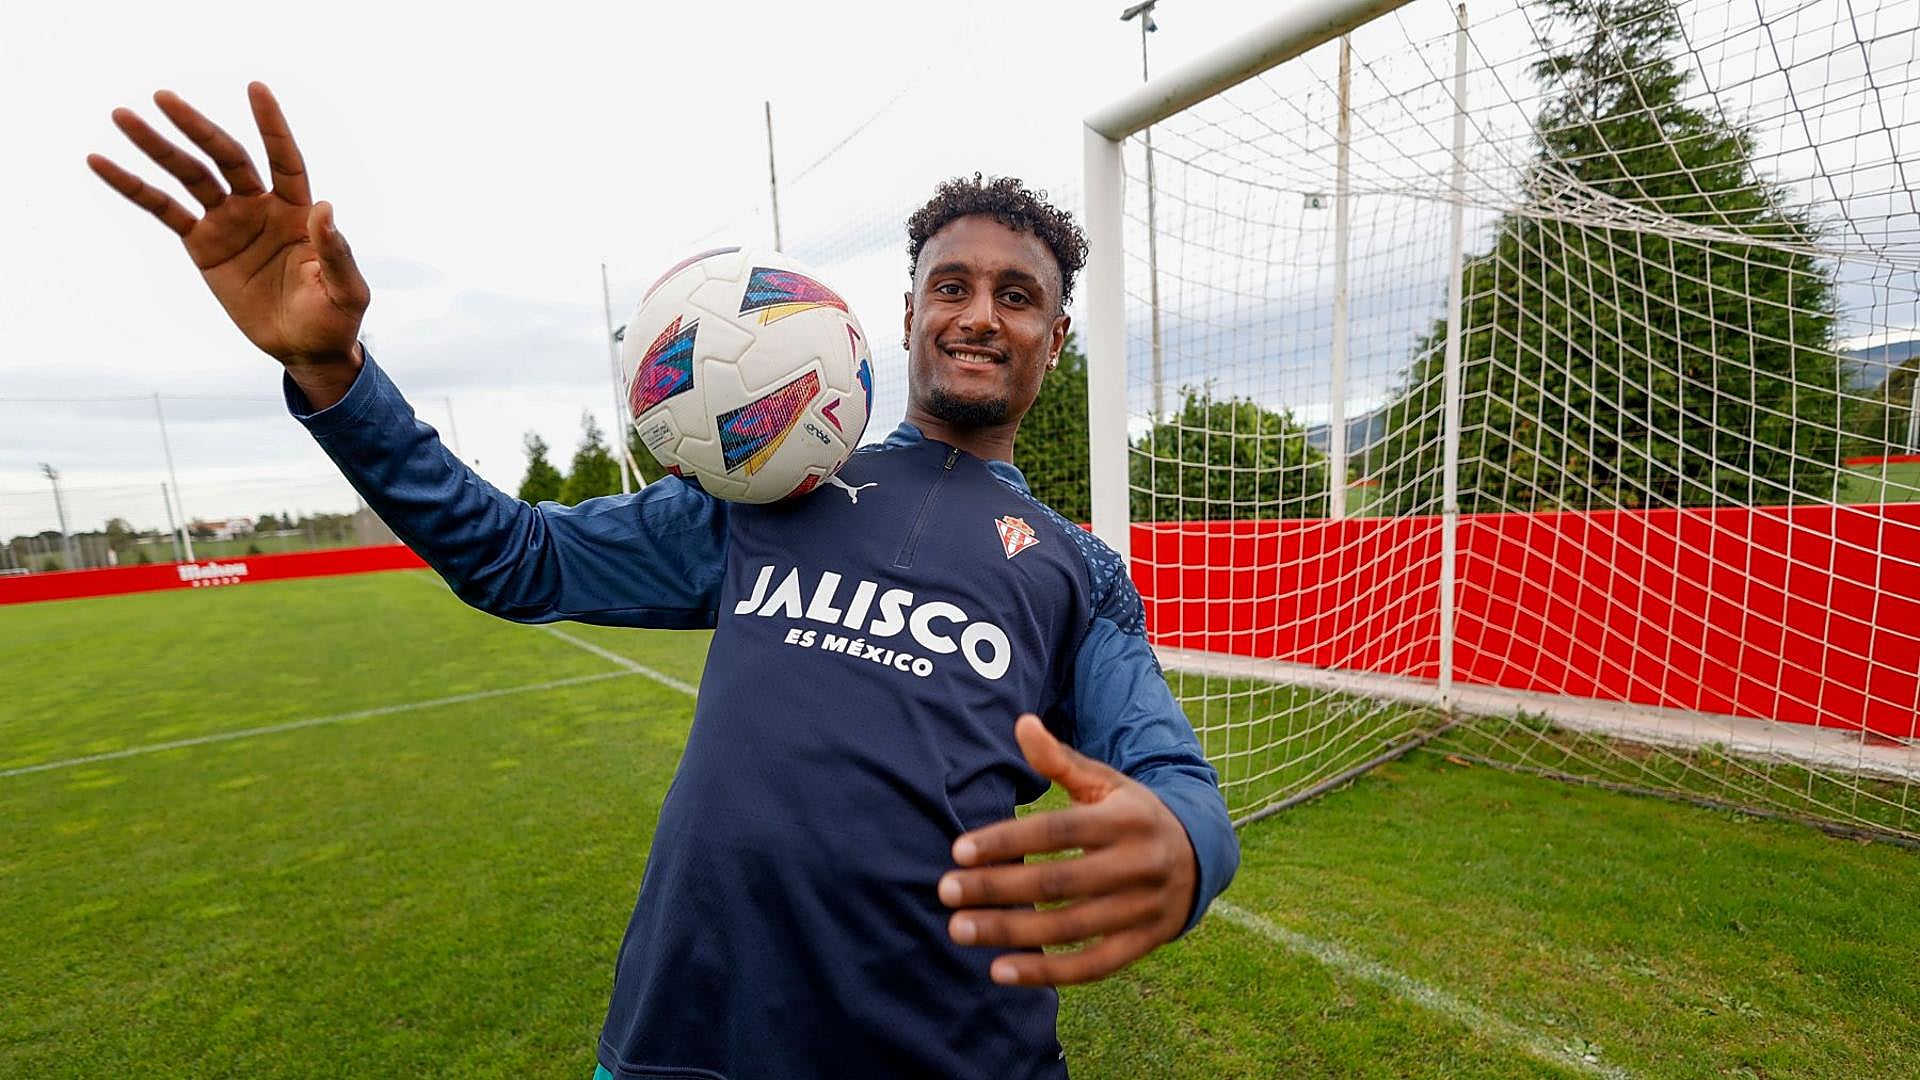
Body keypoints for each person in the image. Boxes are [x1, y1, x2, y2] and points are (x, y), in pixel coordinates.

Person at [90, 83, 1239, 1080]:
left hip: (949, 1053)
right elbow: (517, 557)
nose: (981, 313)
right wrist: (337, 370)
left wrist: (1186, 847)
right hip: (688, 1035)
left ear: (1057, 335)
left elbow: (1174, 775)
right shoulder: (776, 483)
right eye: (952, 285)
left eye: (1018, 295)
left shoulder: (1079, 571)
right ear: (906, 315)